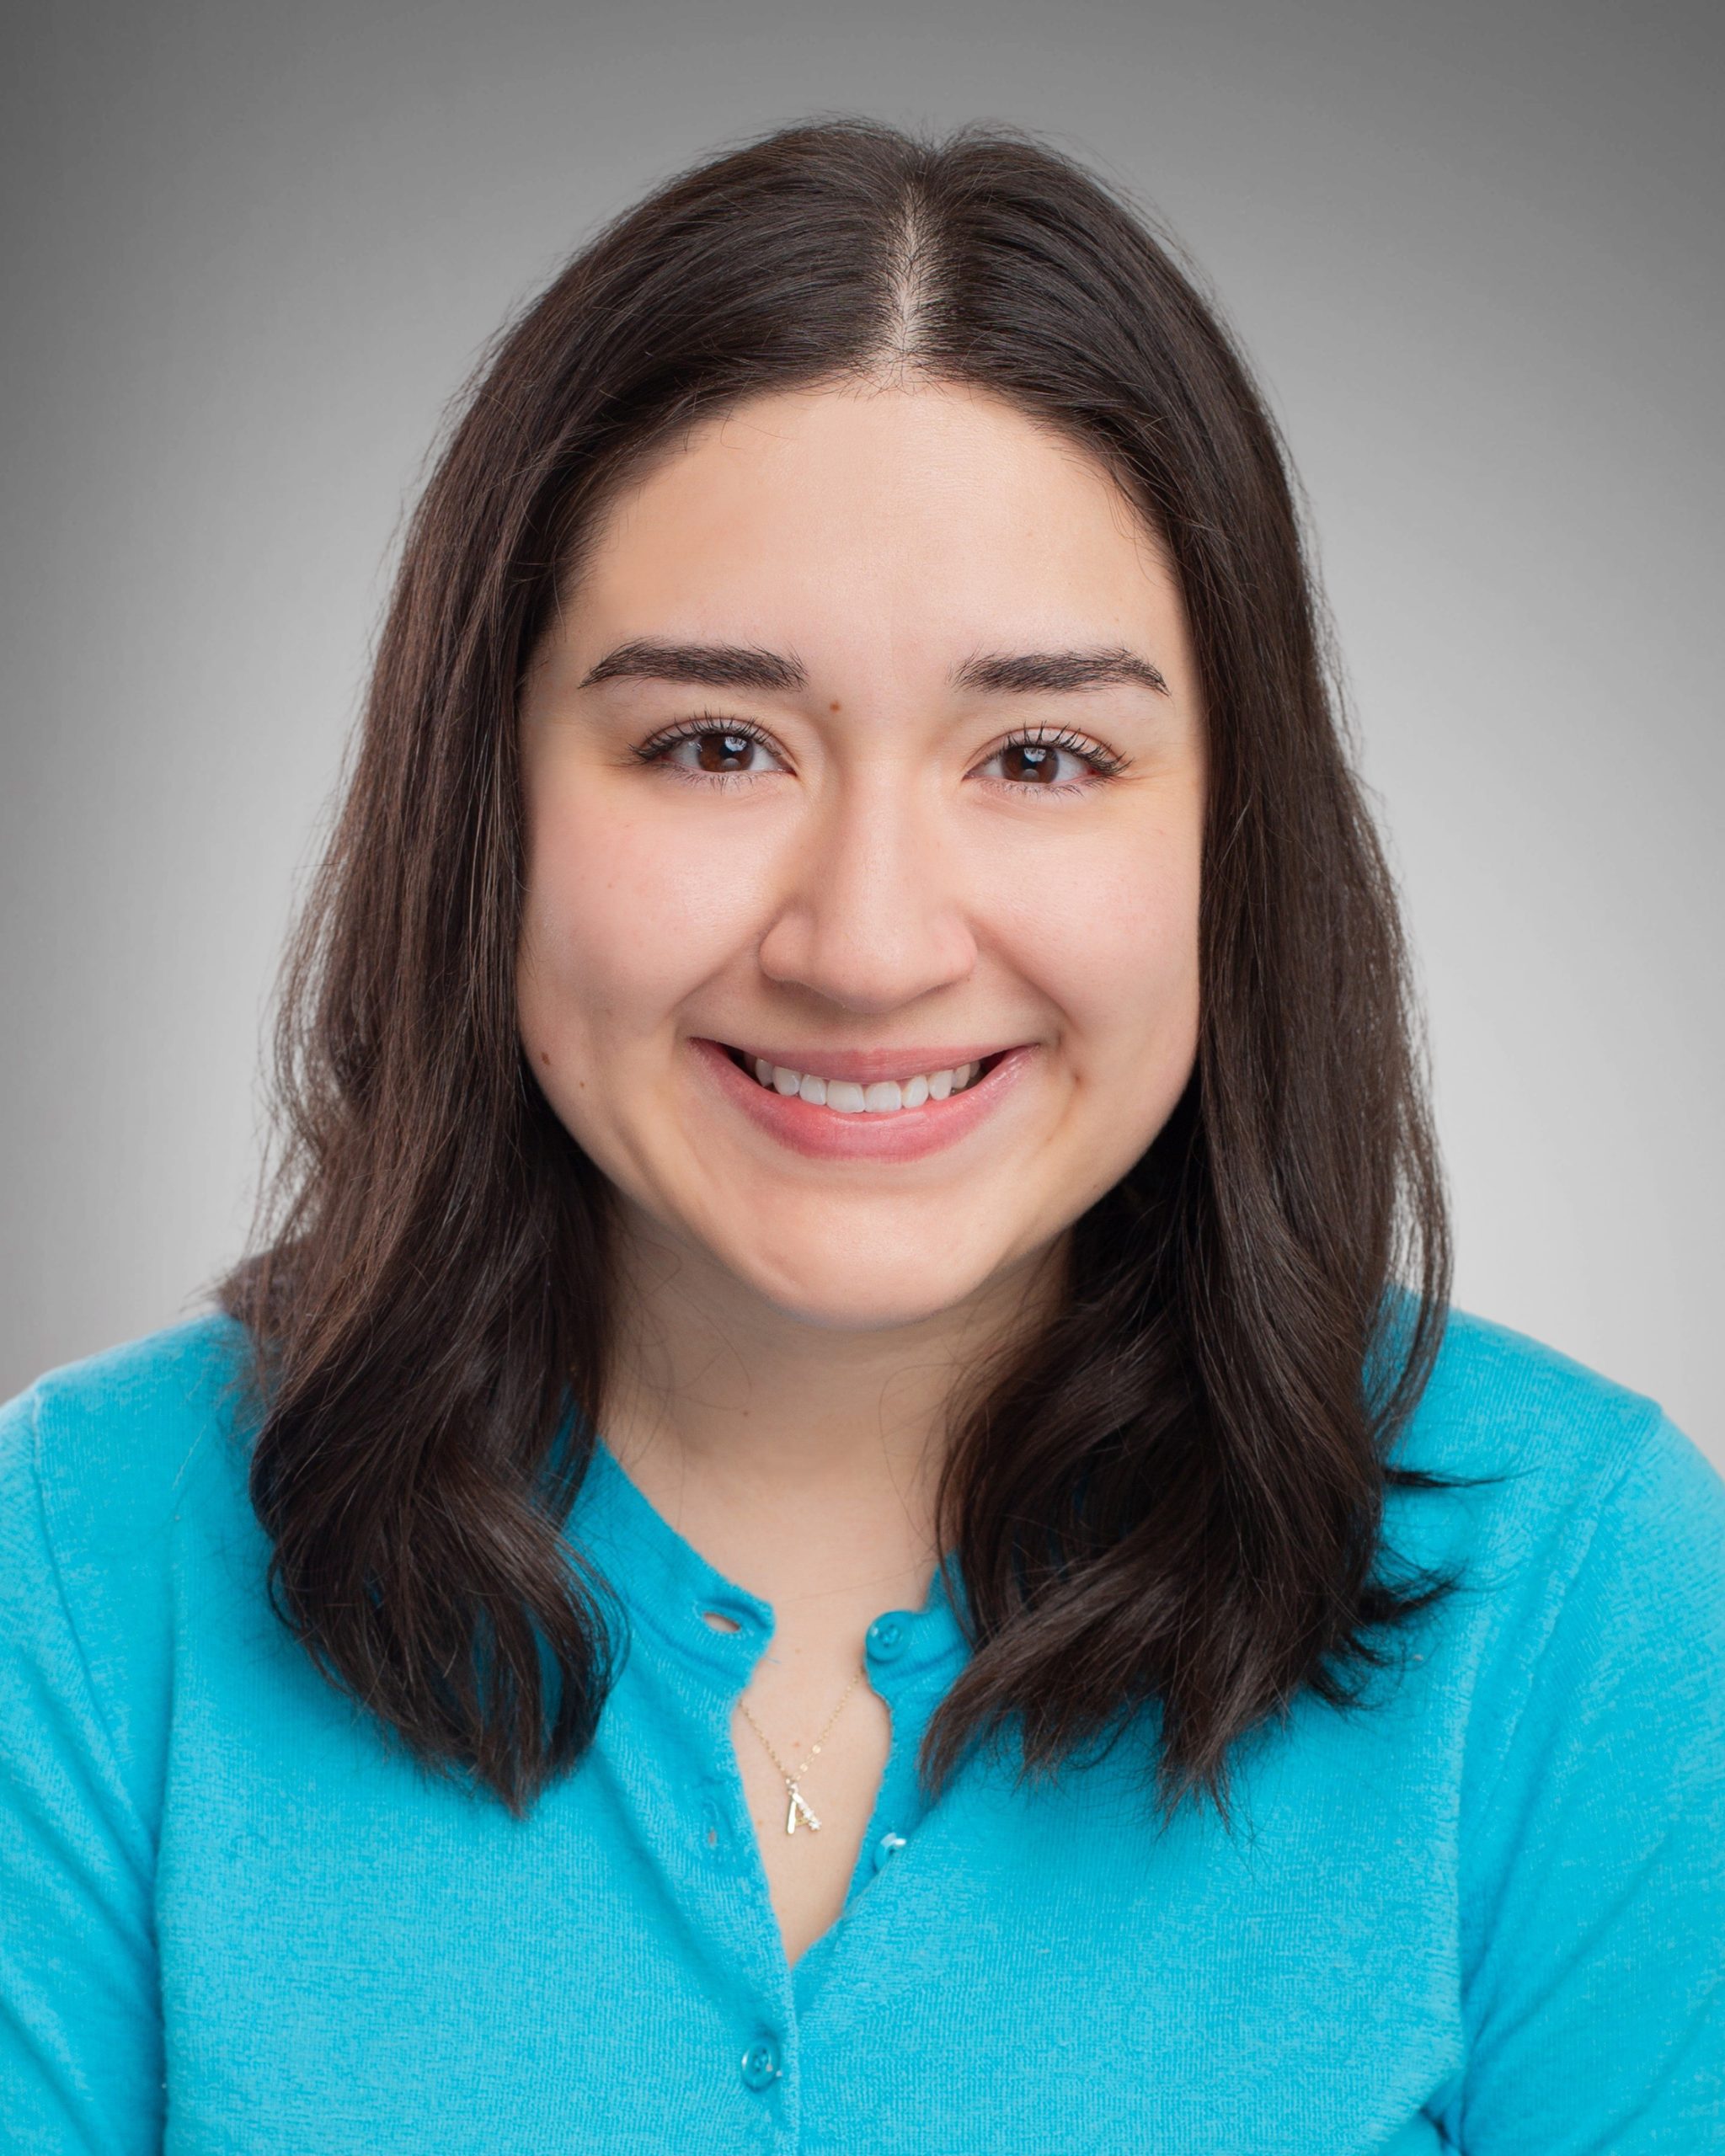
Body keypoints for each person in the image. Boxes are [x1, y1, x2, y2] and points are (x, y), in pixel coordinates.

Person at [3, 115, 1720, 2154]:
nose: (870, 943)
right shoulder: (79, 1563)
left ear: (1226, 840)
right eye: (715, 744)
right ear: (492, 808)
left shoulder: (1576, 1585)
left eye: (1043, 753)